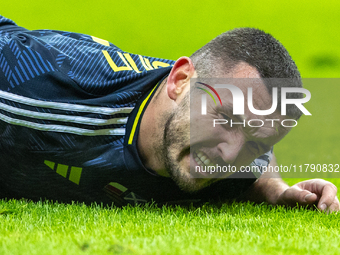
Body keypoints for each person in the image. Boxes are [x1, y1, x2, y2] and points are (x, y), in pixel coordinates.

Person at [0, 15, 338, 212]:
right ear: (178, 81)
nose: (230, 155)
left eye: (254, 142)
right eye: (227, 120)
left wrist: (275, 190)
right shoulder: (37, 88)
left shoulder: (230, 156)